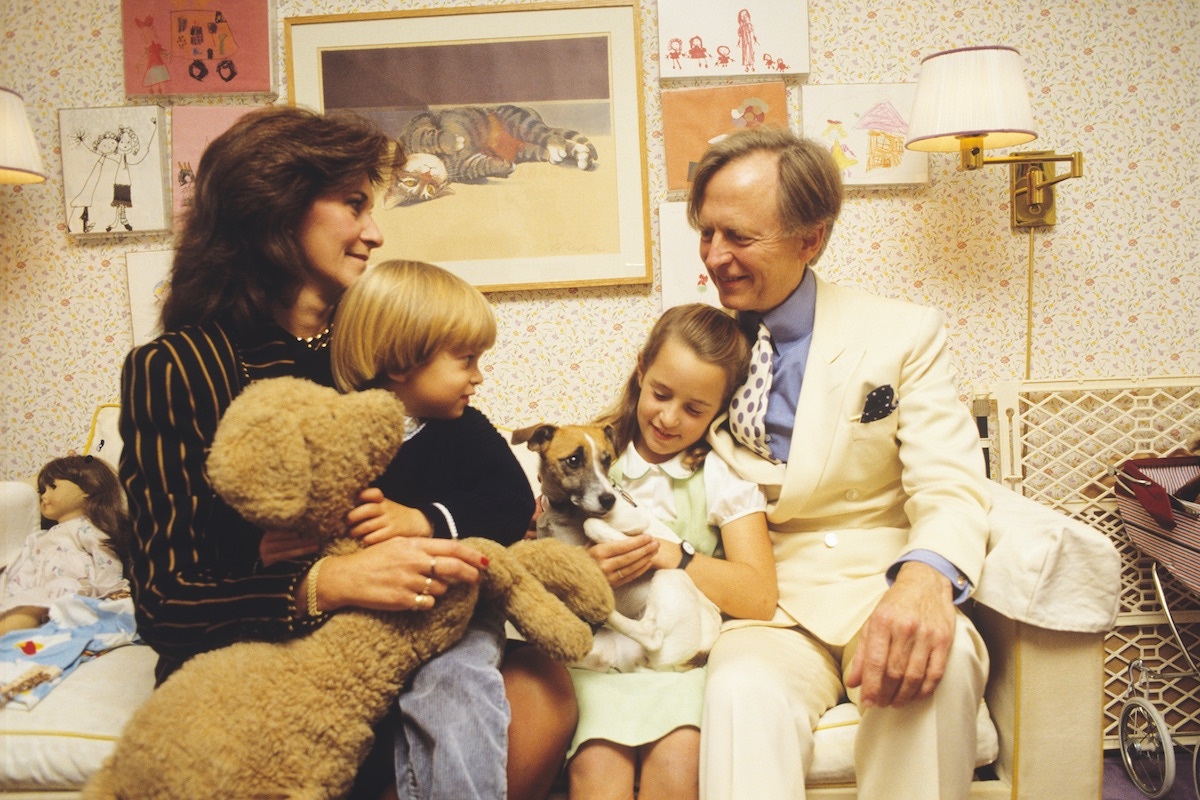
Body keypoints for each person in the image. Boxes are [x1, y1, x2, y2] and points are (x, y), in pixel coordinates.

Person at [118, 106, 571, 800]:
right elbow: (166, 603)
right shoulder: (182, 367)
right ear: (273, 209)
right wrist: (326, 581)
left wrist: (433, 529)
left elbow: (480, 485)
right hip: (273, 660)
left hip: (406, 643)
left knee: (543, 690)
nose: (376, 232)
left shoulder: (382, 351)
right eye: (354, 204)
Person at [675, 125, 992, 799]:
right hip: (771, 606)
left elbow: (952, 483)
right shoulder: (699, 349)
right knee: (738, 691)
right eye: (707, 234)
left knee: (944, 664)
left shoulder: (903, 333)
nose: (714, 257)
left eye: (739, 237)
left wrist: (923, 583)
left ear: (809, 238)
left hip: (884, 583)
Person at [329, 259, 538, 800]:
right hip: (366, 619)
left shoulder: (465, 429)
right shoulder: (340, 428)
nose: (479, 375)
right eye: (466, 359)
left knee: (458, 685)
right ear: (402, 361)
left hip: (455, 613)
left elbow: (513, 503)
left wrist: (423, 520)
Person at [571, 303, 776, 800]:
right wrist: (585, 571)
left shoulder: (721, 476)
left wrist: (677, 556)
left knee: (680, 763)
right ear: (641, 369)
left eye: (694, 409)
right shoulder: (592, 453)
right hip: (599, 661)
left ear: (722, 406)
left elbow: (760, 596)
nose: (668, 418)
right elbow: (538, 561)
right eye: (660, 394)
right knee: (597, 770)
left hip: (678, 666)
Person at [0, 455, 131, 635]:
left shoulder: (88, 529)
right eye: (42, 490)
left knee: (33, 603)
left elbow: (106, 562)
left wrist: (105, 593)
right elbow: (25, 568)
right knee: (20, 602)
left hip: (69, 592)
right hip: (37, 591)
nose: (44, 496)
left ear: (87, 488)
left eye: (52, 487)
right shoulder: (40, 537)